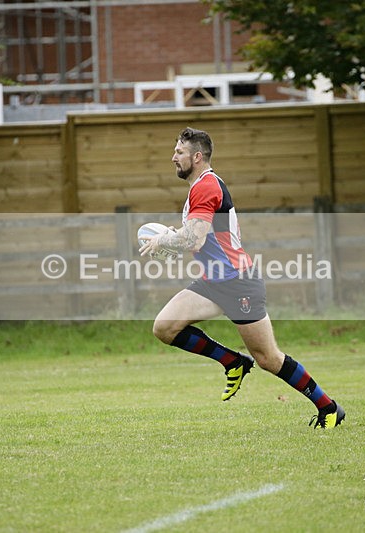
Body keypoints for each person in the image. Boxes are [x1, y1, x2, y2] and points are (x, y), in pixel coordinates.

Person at [139, 127, 344, 428]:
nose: (173, 157)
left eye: (179, 152)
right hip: (214, 281)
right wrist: (172, 236)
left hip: (237, 283)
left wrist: (164, 241)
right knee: (165, 327)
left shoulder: (206, 186)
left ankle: (329, 407)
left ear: (197, 157)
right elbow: (199, 234)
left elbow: (194, 240)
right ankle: (232, 361)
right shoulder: (200, 186)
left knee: (269, 359)